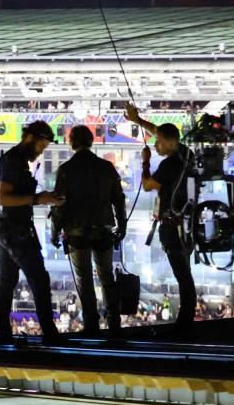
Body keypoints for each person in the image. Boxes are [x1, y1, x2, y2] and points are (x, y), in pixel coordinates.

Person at [124, 103, 196, 333]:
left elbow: (147, 186)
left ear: (168, 143)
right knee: (185, 272)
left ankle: (185, 323)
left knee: (182, 276)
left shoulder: (167, 166)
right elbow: (162, 132)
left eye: (158, 143)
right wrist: (139, 121)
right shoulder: (187, 155)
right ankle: (186, 319)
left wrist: (145, 161)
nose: (155, 145)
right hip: (188, 225)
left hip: (172, 227)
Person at [0, 120, 64, 344]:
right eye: (41, 146)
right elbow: (3, 197)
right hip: (15, 231)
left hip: (9, 230)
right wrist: (37, 199)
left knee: (7, 281)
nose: (41, 152)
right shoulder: (13, 161)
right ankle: (50, 334)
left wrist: (42, 198)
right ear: (30, 138)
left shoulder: (16, 160)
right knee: (39, 279)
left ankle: (4, 335)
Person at [50, 124, 126, 336]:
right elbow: (119, 200)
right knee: (106, 277)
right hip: (103, 229)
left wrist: (54, 231)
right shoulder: (106, 167)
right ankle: (114, 323)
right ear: (91, 141)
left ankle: (91, 324)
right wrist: (122, 225)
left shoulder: (66, 169)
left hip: (76, 232)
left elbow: (59, 204)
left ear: (71, 141)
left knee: (84, 279)